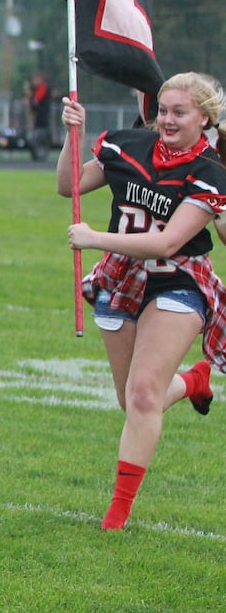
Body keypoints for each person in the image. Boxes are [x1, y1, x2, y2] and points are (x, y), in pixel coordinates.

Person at [58, 75, 226, 531]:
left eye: (179, 112)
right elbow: (68, 185)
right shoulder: (127, 143)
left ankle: (118, 510)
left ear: (204, 119)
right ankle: (192, 383)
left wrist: (95, 238)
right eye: (164, 110)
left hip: (178, 277)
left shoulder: (210, 171)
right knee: (131, 401)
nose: (167, 120)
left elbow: (168, 244)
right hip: (121, 275)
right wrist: (72, 135)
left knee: (145, 394)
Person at [27, 73, 54, 158]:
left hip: (42, 116)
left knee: (40, 131)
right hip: (39, 115)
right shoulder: (37, 89)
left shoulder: (43, 88)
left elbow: (36, 100)